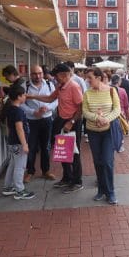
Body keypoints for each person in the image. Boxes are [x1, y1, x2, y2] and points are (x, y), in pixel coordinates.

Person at [28, 63, 84, 193]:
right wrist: (32, 96)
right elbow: (49, 98)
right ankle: (67, 177)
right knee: (63, 151)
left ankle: (77, 181)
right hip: (61, 120)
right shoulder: (61, 86)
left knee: (74, 153)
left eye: (56, 76)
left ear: (64, 75)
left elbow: (81, 107)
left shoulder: (74, 87)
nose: (55, 78)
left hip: (72, 121)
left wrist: (72, 121)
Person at [82, 67, 121, 205]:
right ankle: (101, 190)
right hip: (93, 132)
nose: (87, 81)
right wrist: (96, 118)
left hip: (108, 132)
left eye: (90, 78)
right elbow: (85, 111)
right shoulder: (87, 93)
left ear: (98, 78)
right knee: (98, 162)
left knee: (107, 162)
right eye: (87, 78)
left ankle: (110, 192)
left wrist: (106, 119)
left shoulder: (111, 91)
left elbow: (117, 110)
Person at [22, 65, 57, 182]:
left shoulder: (49, 85)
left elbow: (56, 100)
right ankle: (30, 171)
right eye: (35, 74)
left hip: (46, 120)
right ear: (30, 74)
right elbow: (21, 103)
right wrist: (33, 112)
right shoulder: (25, 86)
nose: (37, 76)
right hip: (31, 121)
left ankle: (45, 170)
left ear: (43, 73)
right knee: (31, 147)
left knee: (46, 146)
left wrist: (48, 108)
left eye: (40, 73)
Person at [2, 86, 33, 200]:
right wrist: (24, 144)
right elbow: (19, 128)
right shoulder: (18, 111)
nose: (25, 96)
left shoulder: (10, 109)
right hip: (19, 143)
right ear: (19, 97)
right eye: (24, 95)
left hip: (12, 142)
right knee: (20, 166)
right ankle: (20, 190)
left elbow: (9, 127)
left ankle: (8, 187)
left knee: (13, 164)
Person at [110, 74, 129, 153]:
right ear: (118, 81)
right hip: (121, 112)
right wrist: (127, 115)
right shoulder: (122, 90)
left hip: (111, 112)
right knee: (120, 130)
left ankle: (113, 144)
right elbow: (126, 104)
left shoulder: (109, 89)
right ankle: (119, 145)